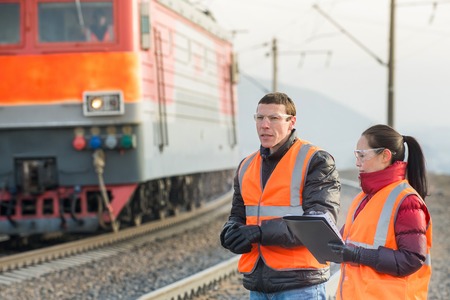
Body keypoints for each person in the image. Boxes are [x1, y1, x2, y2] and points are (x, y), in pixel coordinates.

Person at [220, 92, 341, 299]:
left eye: (274, 118)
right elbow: (238, 215)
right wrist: (230, 232)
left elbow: (318, 224)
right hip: (258, 284)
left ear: (291, 122)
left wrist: (259, 232)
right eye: (259, 118)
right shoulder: (246, 165)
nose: (264, 125)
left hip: (300, 284)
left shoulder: (316, 161)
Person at [329, 124, 432, 299]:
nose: (357, 162)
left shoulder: (407, 201)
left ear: (385, 155)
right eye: (357, 155)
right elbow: (347, 240)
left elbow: (411, 259)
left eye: (362, 155)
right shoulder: (362, 198)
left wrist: (357, 255)